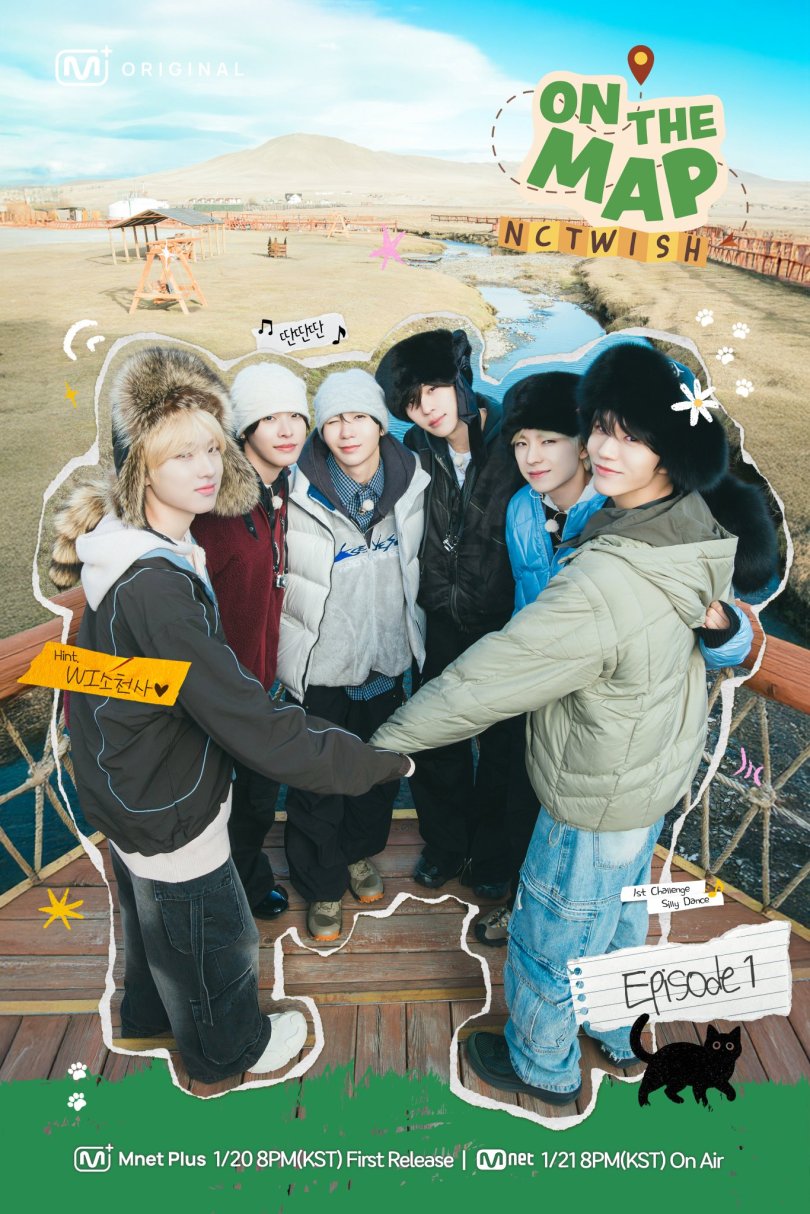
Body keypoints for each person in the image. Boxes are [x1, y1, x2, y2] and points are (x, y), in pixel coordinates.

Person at [371, 342, 776, 1104]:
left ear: (670, 449)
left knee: (550, 933)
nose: (603, 448)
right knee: (618, 920)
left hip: (596, 780)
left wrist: (380, 744)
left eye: (631, 435)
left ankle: (543, 1066)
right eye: (600, 427)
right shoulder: (685, 522)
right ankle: (618, 1034)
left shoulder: (607, 573)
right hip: (649, 771)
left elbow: (488, 678)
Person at [49, 347, 414, 1085]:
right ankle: (227, 1049)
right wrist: (379, 763)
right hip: (168, 793)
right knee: (209, 933)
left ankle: (148, 1015)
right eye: (181, 455)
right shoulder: (156, 585)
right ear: (140, 469)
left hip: (131, 775)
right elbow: (252, 724)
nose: (208, 469)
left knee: (154, 922)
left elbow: (115, 673)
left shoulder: (144, 546)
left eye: (212, 448)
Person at [474, 366, 755, 948]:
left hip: (606, 719)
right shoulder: (522, 507)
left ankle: (566, 952)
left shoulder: (632, 512)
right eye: (521, 442)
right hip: (540, 695)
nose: (533, 456)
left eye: (550, 439)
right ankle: (528, 909)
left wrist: (723, 629)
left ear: (581, 443)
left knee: (587, 864)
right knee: (524, 806)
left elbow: (732, 639)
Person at [276, 368, 429, 942]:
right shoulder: (295, 488)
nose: (347, 431)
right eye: (335, 419)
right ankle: (321, 883)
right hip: (321, 665)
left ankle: (358, 854)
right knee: (317, 780)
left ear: (381, 423)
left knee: (376, 775)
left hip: (387, 658)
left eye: (359, 417)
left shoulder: (413, 481)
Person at [375, 329, 524, 897]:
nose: (427, 408)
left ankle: (492, 854)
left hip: (507, 624)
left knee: (505, 747)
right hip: (439, 616)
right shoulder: (414, 449)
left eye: (434, 389)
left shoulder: (516, 440)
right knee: (437, 739)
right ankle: (446, 845)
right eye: (413, 401)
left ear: (461, 377)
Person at [192, 361, 309, 921]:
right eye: (269, 418)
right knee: (215, 802)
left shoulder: (280, 489)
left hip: (263, 683)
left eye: (296, 417)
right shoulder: (213, 506)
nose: (286, 430)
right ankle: (222, 894)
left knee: (258, 799)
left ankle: (246, 877)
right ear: (244, 429)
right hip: (216, 691)